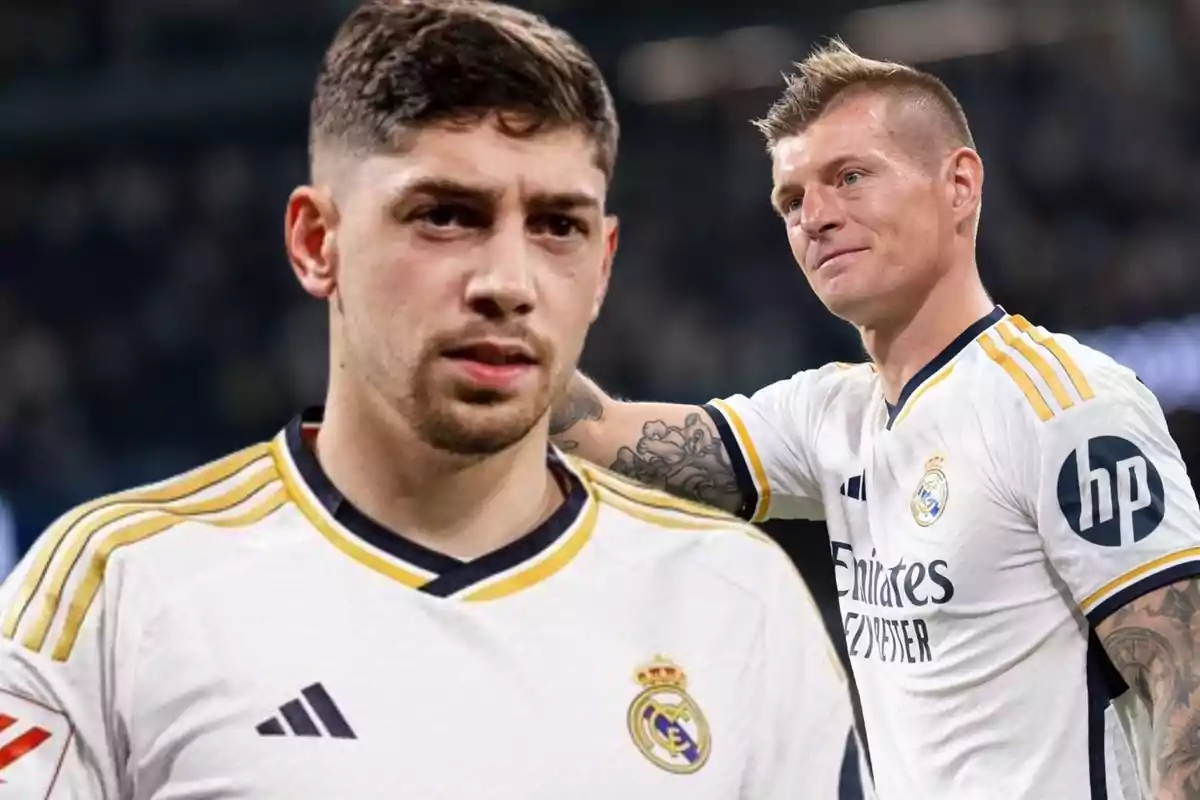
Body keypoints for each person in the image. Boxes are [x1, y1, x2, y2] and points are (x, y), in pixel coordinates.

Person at [0, 2, 859, 798]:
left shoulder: (738, 601)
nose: (507, 283)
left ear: (603, 266)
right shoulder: (118, 591)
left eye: (558, 226)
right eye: (446, 216)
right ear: (315, 242)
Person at [551, 39, 1200, 800]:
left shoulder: (1063, 403)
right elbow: (603, 436)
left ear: (959, 185)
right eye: (791, 201)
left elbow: (1182, 670)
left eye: (850, 177)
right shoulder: (831, 414)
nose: (816, 218)